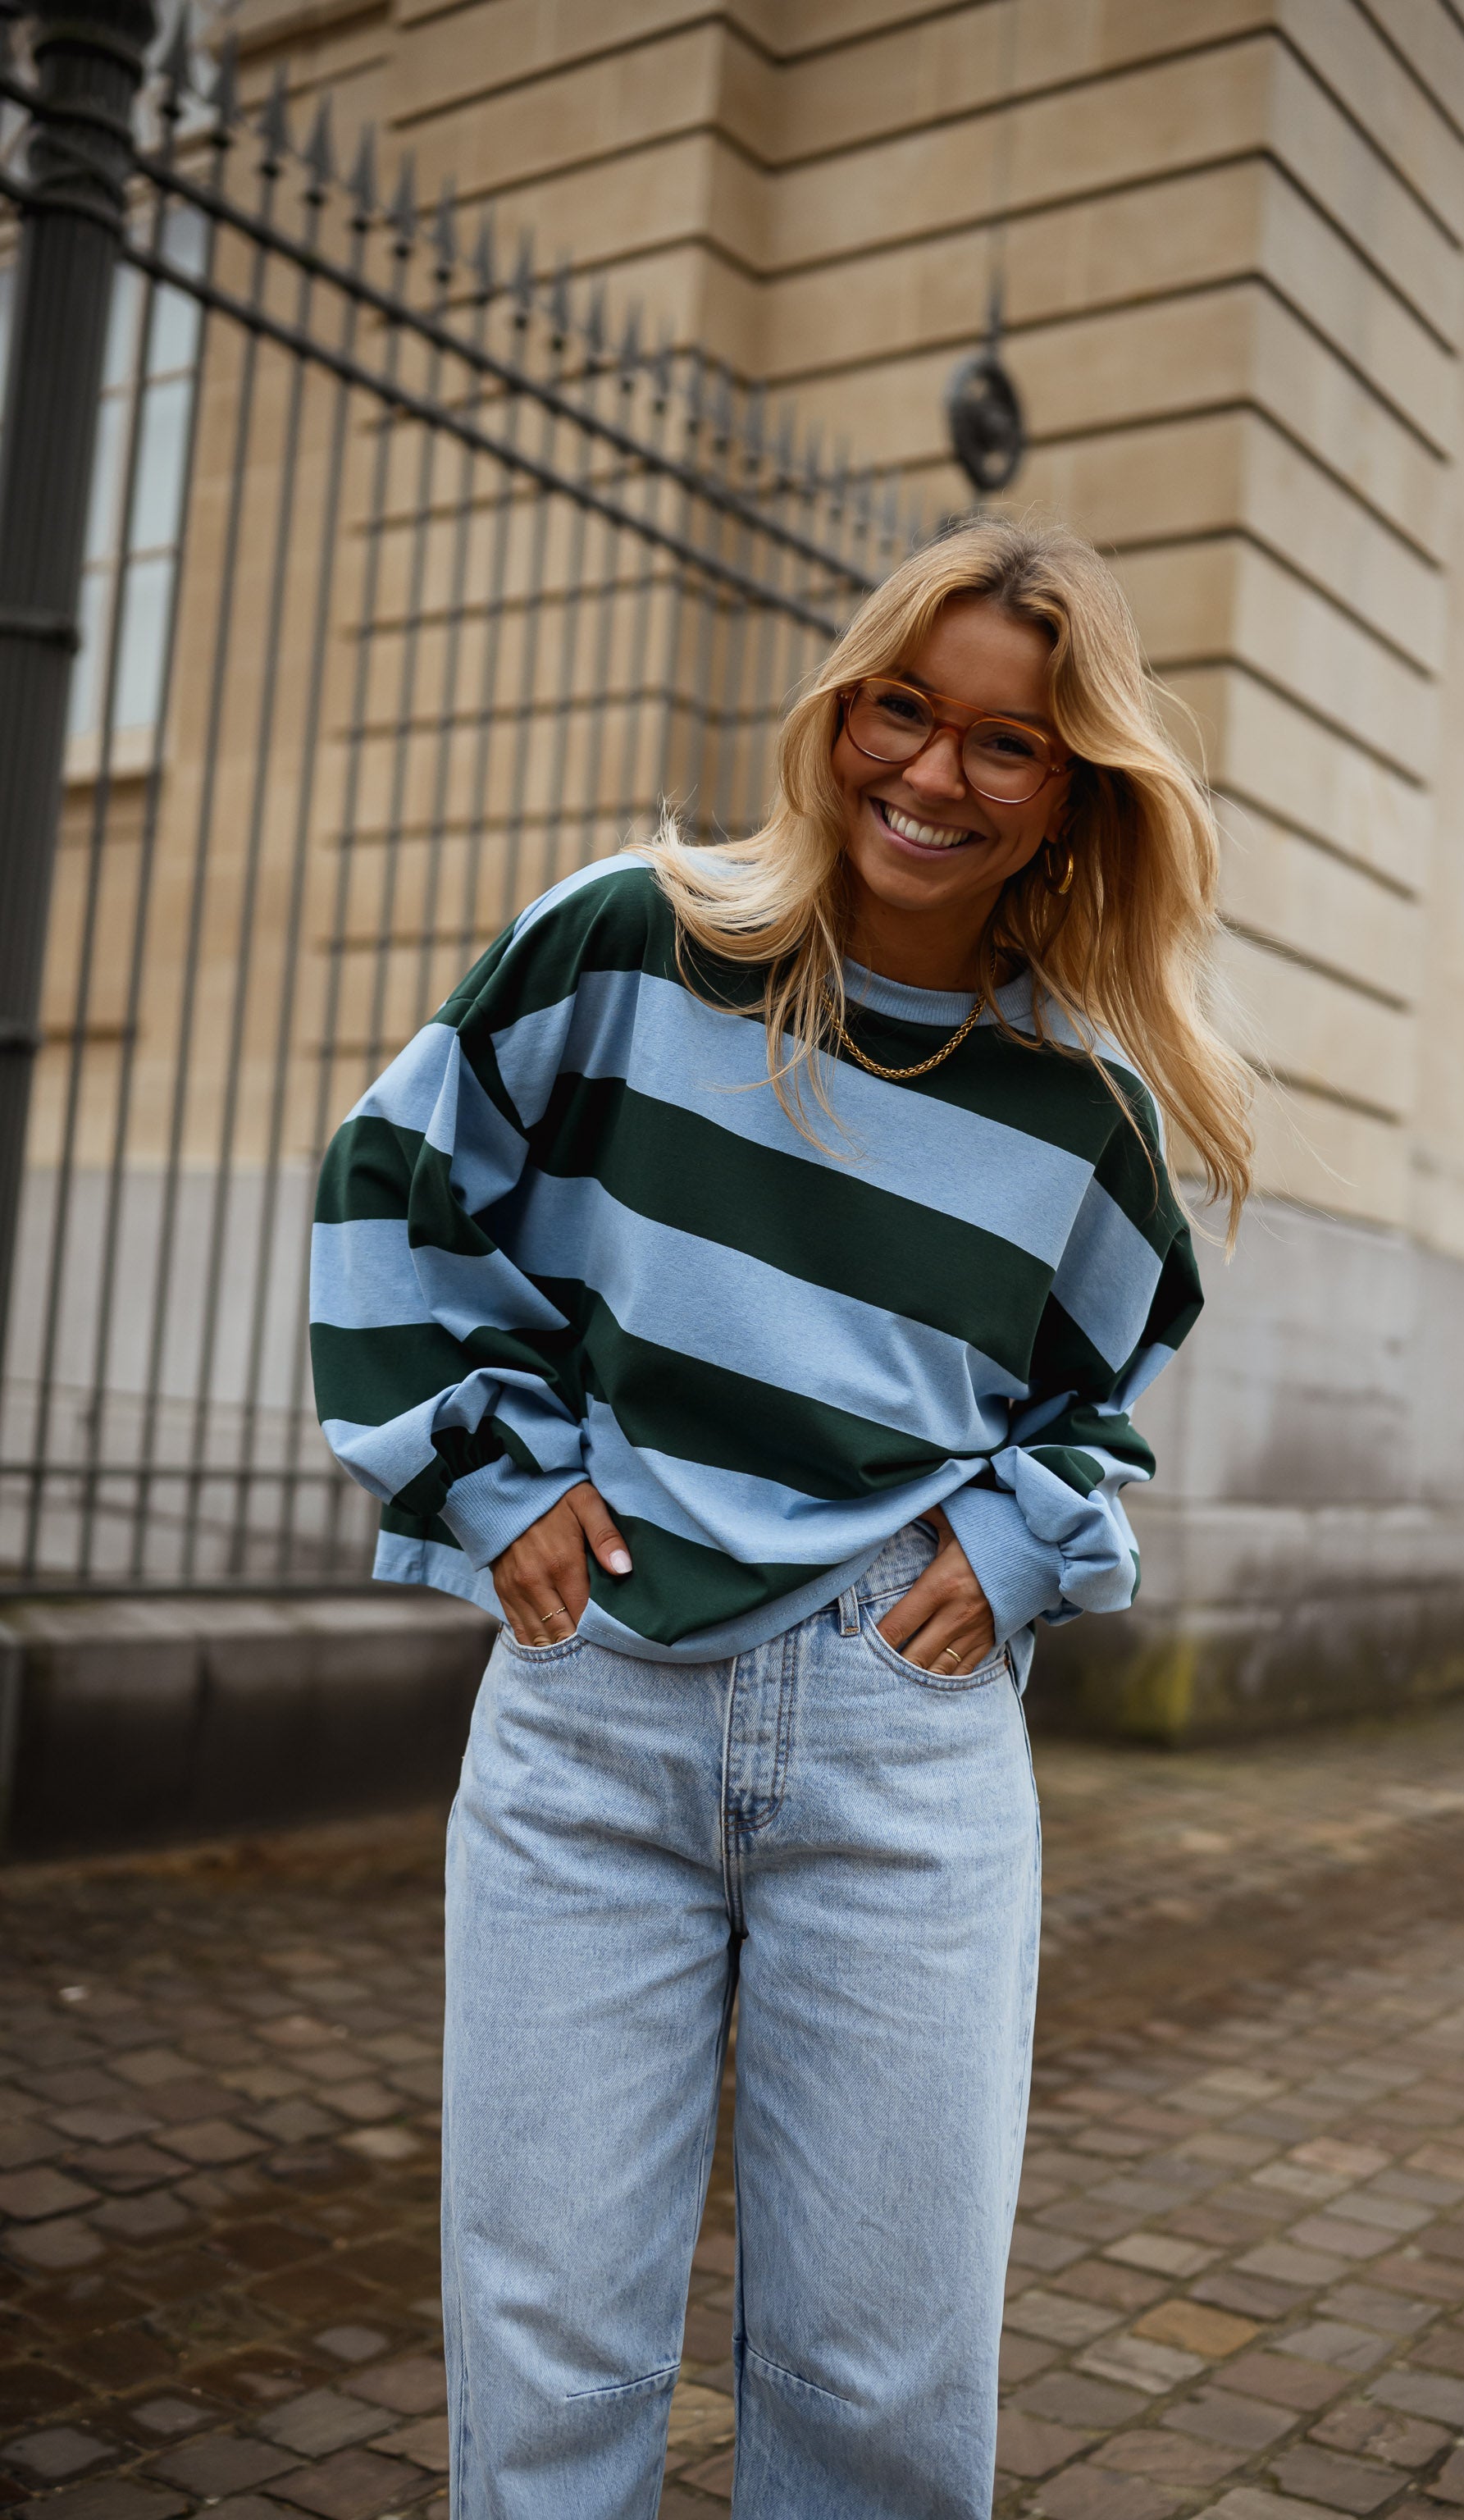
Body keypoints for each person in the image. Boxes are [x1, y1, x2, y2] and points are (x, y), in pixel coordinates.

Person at [310, 513, 1252, 2520]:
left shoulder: (1085, 1105)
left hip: (899, 1740)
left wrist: (1014, 1546)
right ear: (837, 715)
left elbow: (1106, 1387)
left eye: (1005, 744)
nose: (932, 775)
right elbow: (401, 1178)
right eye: (899, 711)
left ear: (1074, 791)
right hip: (599, 1711)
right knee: (551, 2343)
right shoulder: (630, 940)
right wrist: (492, 1481)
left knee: (882, 2380)